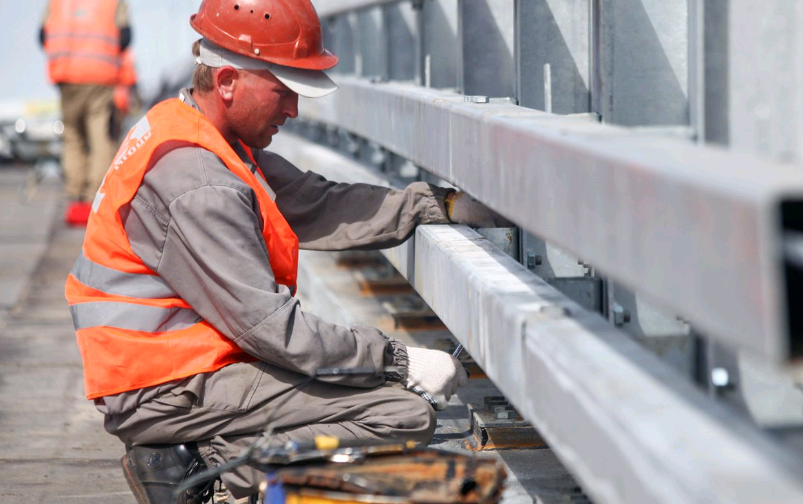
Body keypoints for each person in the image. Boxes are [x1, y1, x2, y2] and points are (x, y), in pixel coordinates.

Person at [64, 0, 509, 502]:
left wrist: (437, 205)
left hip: (173, 365)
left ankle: (202, 451)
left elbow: (319, 204)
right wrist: (399, 361)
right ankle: (192, 467)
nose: (294, 109)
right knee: (400, 414)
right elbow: (274, 330)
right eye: (283, 91)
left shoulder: (197, 131)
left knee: (384, 402)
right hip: (162, 386)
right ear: (228, 81)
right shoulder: (199, 182)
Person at [40, 0, 132, 226]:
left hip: (67, 75)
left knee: (72, 136)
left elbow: (42, 35)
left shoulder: (57, 2)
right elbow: (126, 36)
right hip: (100, 76)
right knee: (100, 136)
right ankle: (95, 197)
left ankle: (75, 196)